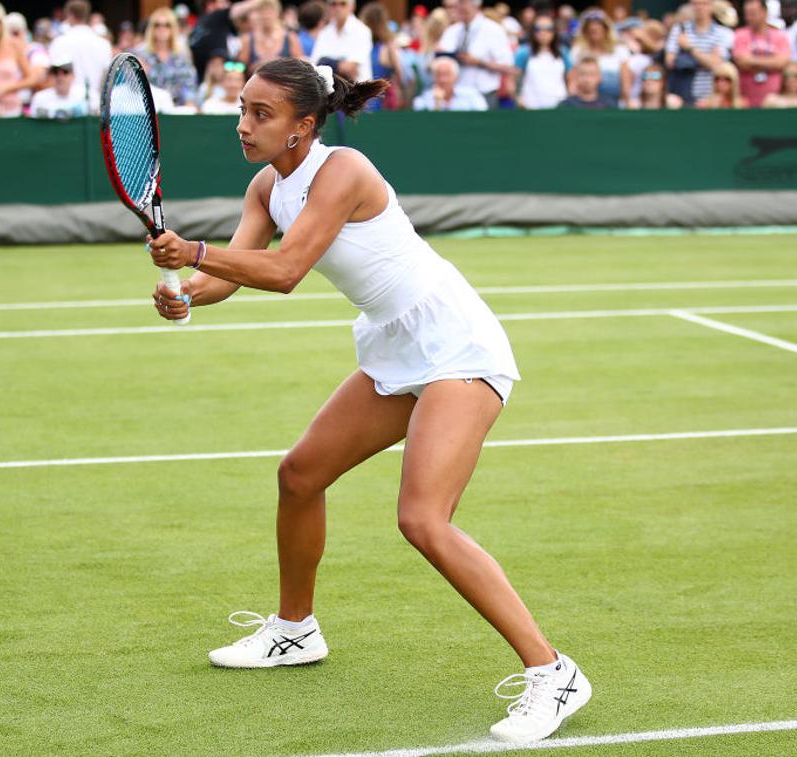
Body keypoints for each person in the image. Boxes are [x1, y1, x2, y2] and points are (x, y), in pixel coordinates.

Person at [145, 56, 590, 746]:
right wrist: (185, 295)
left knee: (422, 519)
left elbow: (287, 270)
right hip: (391, 344)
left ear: (304, 126)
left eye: (262, 113)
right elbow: (235, 274)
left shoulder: (345, 170)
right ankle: (295, 631)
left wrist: (194, 251)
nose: (244, 124)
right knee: (300, 475)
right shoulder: (266, 185)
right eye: (242, 108)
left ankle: (553, 671)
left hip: (454, 343)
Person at [436, 0, 513, 108]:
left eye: (463, 3)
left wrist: (479, 62)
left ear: (476, 4)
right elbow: (439, 61)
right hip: (456, 98)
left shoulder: (493, 30)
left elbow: (508, 67)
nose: (460, 7)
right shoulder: (452, 31)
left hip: (485, 95)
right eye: (458, 3)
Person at [665, 0, 734, 106]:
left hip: (712, 98)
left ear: (712, 6)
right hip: (683, 96)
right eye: (696, 4)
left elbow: (717, 65)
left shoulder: (723, 33)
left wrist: (690, 49)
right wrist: (707, 58)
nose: (700, 8)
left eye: (704, 4)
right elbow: (670, 61)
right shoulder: (679, 29)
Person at [48, 0, 111, 112]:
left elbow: (53, 75)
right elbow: (105, 79)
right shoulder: (104, 44)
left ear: (70, 15)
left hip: (68, 106)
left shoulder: (58, 42)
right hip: (93, 105)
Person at [134, 7, 198, 106]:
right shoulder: (140, 54)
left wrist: (190, 108)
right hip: (148, 111)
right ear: (151, 28)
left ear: (173, 28)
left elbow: (190, 87)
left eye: (167, 25)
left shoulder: (182, 55)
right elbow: (132, 89)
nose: (162, 28)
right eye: (157, 25)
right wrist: (141, 74)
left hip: (177, 110)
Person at [732, 0, 790, 107]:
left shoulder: (780, 36)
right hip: (745, 100)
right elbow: (742, 62)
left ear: (765, 12)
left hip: (775, 101)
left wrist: (752, 61)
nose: (749, 17)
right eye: (747, 14)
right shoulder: (740, 34)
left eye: (753, 13)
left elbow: (782, 62)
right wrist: (771, 62)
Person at [568, 10, 627, 104]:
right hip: (585, 104)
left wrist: (627, 102)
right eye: (591, 31)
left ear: (606, 30)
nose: (594, 33)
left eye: (598, 30)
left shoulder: (620, 50)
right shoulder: (577, 50)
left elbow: (625, 83)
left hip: (613, 103)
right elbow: (573, 81)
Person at [189, 0, 257, 79]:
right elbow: (238, 9)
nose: (228, 4)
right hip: (219, 79)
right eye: (223, 2)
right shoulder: (217, 16)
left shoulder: (198, 25)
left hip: (204, 79)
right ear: (210, 4)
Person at [310, 0, 374, 82]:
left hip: (359, 90)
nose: (338, 8)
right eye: (333, 4)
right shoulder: (324, 33)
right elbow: (315, 65)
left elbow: (352, 69)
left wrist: (326, 62)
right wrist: (338, 65)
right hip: (332, 90)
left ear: (352, 6)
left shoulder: (362, 31)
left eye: (343, 4)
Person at [515, 13, 569, 109]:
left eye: (548, 28)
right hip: (530, 108)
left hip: (559, 107)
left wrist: (568, 101)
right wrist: (519, 100)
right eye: (538, 29)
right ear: (533, 31)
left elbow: (572, 78)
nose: (543, 32)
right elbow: (513, 79)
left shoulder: (563, 52)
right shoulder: (523, 52)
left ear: (554, 31)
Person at [238, 0, 303, 71]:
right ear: (257, 14)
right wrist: (255, 66)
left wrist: (280, 63)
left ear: (278, 13)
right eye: (262, 11)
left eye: (269, 11)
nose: (266, 16)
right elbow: (240, 67)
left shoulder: (290, 37)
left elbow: (299, 65)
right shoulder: (247, 39)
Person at [413, 54, 486, 109]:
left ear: (456, 77)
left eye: (447, 74)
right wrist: (437, 104)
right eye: (439, 75)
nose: (442, 79)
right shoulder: (424, 99)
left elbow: (483, 119)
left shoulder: (472, 95)